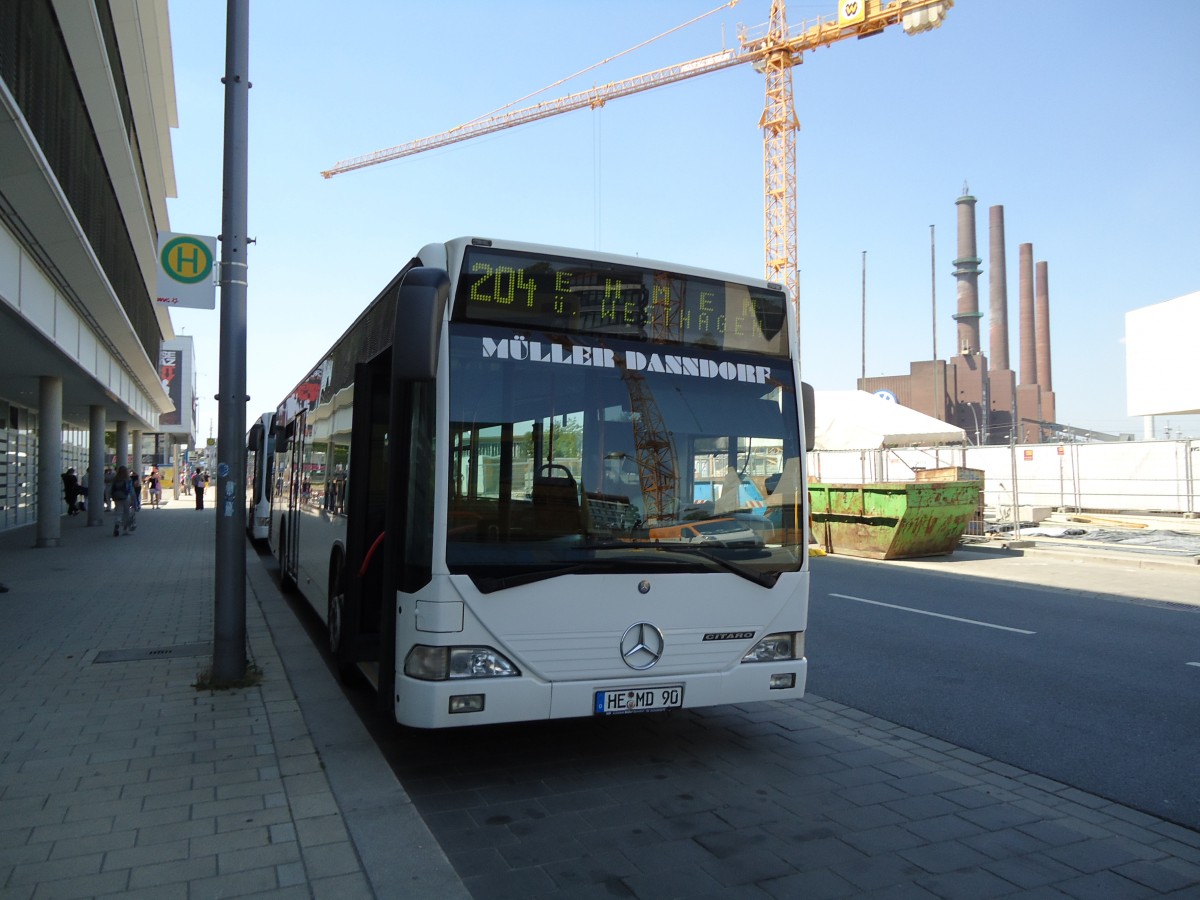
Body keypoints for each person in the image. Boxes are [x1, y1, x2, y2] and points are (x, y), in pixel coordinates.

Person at [110, 465, 135, 536]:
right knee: (126, 512)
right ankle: (125, 529)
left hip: (117, 497)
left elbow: (112, 489)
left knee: (118, 512)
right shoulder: (128, 479)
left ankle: (117, 526)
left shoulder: (115, 479)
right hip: (126, 497)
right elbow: (130, 490)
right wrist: (133, 500)